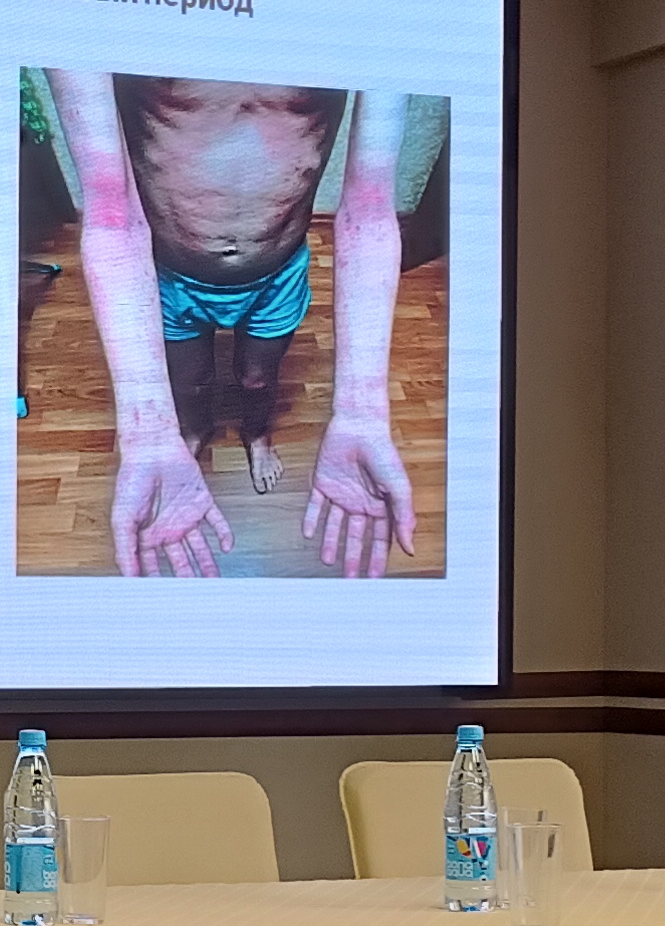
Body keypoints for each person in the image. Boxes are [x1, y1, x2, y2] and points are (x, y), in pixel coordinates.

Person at [43, 71, 414, 577]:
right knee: (191, 384)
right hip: (168, 275)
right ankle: (193, 431)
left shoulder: (375, 20)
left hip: (277, 274)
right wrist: (148, 435)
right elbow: (110, 212)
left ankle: (257, 436)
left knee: (257, 379)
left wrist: (363, 413)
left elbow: (369, 208)